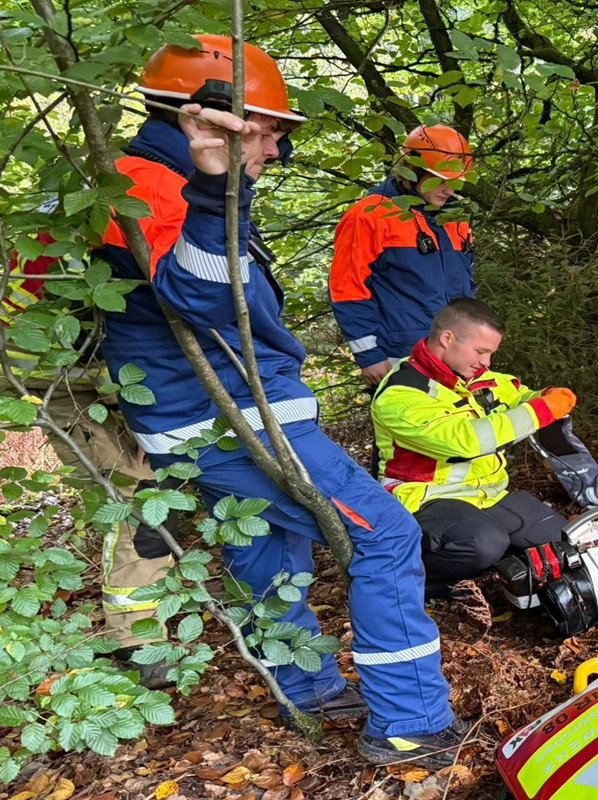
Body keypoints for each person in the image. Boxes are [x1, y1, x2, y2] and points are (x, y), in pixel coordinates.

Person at [96, 35, 465, 767]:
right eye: (272, 133)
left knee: (269, 551)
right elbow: (199, 298)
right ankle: (411, 722)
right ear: (212, 120)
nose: (275, 152)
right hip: (226, 419)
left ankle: (313, 691)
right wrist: (214, 187)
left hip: (221, 415)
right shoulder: (151, 186)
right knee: (385, 536)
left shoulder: (163, 181)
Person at [2, 221, 177, 688]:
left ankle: (153, 614)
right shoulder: (86, 251)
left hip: (76, 383)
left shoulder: (61, 236)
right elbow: (106, 344)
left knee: (142, 498)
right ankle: (137, 642)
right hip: (62, 388)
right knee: (136, 500)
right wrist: (149, 418)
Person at [371, 299, 574, 598]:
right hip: (425, 499)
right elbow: (466, 441)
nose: (487, 362)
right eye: (481, 351)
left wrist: (546, 396)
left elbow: (520, 396)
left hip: (486, 495)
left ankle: (500, 565)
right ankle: (413, 585)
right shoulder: (401, 395)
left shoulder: (476, 377)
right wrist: (542, 411)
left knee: (563, 538)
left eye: (491, 353)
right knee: (484, 543)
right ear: (447, 338)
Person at [329, 125, 475, 386]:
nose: (449, 189)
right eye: (439, 179)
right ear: (413, 170)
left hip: (456, 353)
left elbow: (465, 285)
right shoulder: (370, 214)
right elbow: (347, 288)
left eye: (454, 181)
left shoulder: (455, 218)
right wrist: (368, 354)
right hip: (400, 353)